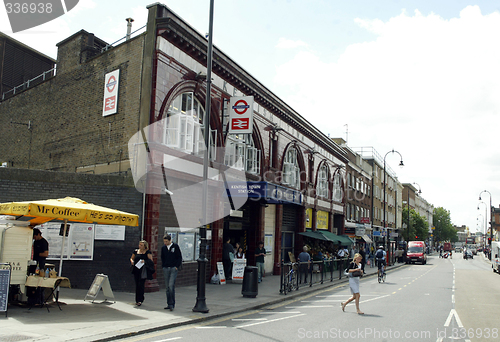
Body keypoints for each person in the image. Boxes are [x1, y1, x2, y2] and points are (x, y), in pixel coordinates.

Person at [161, 234, 182, 311]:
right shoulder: (163, 248)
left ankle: (172, 304)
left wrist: (176, 266)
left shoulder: (175, 247)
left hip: (173, 268)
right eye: (164, 241)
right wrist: (163, 265)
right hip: (166, 268)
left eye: (166, 241)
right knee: (167, 287)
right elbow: (162, 257)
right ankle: (169, 304)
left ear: (170, 240)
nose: (165, 243)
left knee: (171, 286)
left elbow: (179, 257)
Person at [130, 240, 153, 306]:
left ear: (145, 246)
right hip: (136, 269)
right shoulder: (136, 251)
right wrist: (132, 261)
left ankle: (140, 299)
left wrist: (145, 261)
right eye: (139, 245)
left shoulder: (147, 252)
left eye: (141, 245)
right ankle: (137, 300)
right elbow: (132, 258)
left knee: (141, 284)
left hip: (143, 270)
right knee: (137, 284)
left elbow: (151, 261)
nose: (140, 246)